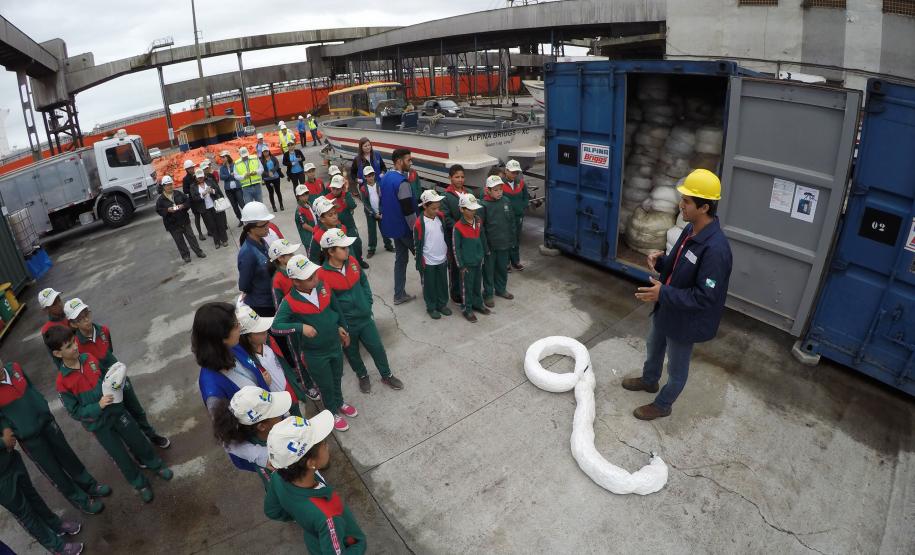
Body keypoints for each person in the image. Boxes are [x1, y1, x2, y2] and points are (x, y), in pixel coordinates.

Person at [623, 169, 733, 420]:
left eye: (686, 201)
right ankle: (649, 380)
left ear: (704, 207)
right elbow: (679, 265)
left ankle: (663, 404)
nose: (680, 205)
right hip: (667, 306)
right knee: (653, 345)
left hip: (686, 320)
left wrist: (663, 292)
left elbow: (705, 297)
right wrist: (661, 263)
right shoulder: (690, 229)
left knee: (676, 369)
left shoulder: (716, 250)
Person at [44, 327, 173, 504]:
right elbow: (74, 412)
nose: (75, 347)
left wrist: (115, 382)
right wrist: (97, 406)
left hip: (117, 411)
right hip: (99, 425)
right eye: (68, 346)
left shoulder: (89, 358)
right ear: (58, 353)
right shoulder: (62, 383)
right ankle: (140, 484)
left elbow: (106, 377)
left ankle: (156, 465)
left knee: (137, 440)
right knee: (120, 456)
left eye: (74, 342)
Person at [0, 360, 110, 515]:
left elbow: (31, 388)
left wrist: (42, 404)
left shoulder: (15, 368)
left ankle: (90, 485)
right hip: (30, 438)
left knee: (68, 456)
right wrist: (11, 430)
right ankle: (82, 500)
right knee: (54, 471)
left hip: (47, 422)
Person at [63, 298, 170, 449]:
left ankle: (151, 434)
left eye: (86, 314)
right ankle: (135, 447)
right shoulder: (76, 346)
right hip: (104, 388)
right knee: (121, 418)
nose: (86, 320)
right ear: (73, 324)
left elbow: (109, 351)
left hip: (120, 377)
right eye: (80, 319)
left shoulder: (103, 331)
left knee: (136, 409)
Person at [272, 255, 356, 432]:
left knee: (337, 377)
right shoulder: (289, 302)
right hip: (315, 354)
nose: (315, 279)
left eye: (315, 274)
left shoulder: (323, 286)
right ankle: (331, 412)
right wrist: (300, 327)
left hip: (334, 345)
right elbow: (276, 327)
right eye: (309, 278)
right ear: (296, 282)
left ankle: (339, 402)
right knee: (325, 385)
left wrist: (342, 328)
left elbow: (336, 310)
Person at [264, 413, 366, 554]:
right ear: (311, 463)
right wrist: (359, 546)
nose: (327, 446)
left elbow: (272, 511)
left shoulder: (276, 477)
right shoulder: (327, 516)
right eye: (324, 444)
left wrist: (302, 516)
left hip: (315, 541)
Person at [318, 229, 404, 394]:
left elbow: (363, 281)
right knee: (352, 353)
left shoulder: (352, 261)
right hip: (347, 325)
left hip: (365, 318)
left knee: (377, 348)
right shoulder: (322, 275)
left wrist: (368, 301)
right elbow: (326, 305)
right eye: (343, 248)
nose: (347, 250)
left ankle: (386, 374)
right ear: (330, 251)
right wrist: (338, 325)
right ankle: (362, 375)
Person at [0, 444, 85, 555]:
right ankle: (57, 547)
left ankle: (55, 524)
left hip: (10, 457)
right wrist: (3, 442)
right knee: (25, 513)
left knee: (32, 496)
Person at [194, 302, 271, 419]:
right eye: (235, 325)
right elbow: (227, 428)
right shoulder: (213, 391)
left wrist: (261, 382)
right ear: (220, 336)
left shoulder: (234, 347)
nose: (240, 327)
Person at [269, 239, 322, 403]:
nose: (293, 255)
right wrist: (295, 325)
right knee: (299, 357)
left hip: (309, 318)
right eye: (289, 254)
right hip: (294, 327)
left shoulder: (298, 271)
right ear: (280, 259)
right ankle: (308, 386)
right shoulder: (278, 280)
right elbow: (279, 309)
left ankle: (318, 378)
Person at [212, 386, 289, 487]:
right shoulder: (271, 460)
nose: (282, 413)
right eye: (276, 412)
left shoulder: (246, 433)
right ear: (262, 427)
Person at [235, 304, 306, 411]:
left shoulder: (269, 341)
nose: (266, 333)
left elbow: (283, 365)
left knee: (297, 413)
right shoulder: (243, 359)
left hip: (287, 389)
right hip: (272, 403)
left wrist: (293, 387)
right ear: (247, 337)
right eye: (260, 332)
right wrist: (261, 383)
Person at [379, 148, 418, 305]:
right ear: (399, 161)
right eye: (408, 160)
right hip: (406, 229)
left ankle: (399, 294)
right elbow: (408, 210)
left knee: (400, 260)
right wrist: (417, 230)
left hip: (394, 228)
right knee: (423, 258)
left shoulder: (385, 177)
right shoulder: (402, 182)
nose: (411, 163)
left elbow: (383, 201)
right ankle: (432, 293)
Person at [413, 190, 452, 320]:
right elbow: (417, 244)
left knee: (442, 283)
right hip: (428, 260)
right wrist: (419, 261)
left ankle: (442, 304)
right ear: (425, 206)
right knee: (429, 285)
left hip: (442, 257)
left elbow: (444, 235)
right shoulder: (420, 223)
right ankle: (431, 307)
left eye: (438, 207)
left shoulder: (440, 217)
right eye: (433, 208)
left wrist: (447, 252)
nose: (437, 211)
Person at [453, 194, 490, 323]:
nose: (473, 212)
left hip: (478, 260)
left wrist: (486, 251)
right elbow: (456, 248)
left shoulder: (478, 220)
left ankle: (478, 303)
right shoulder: (458, 227)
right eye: (470, 209)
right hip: (467, 264)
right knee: (467, 288)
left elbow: (482, 236)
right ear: (462, 209)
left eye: (475, 209)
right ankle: (467, 309)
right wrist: (461, 265)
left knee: (476, 284)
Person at [480, 175, 515, 308]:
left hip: (504, 243)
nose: (499, 192)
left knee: (502, 268)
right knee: (488, 270)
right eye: (495, 190)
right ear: (488, 190)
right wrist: (485, 246)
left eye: (500, 189)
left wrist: (512, 239)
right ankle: (488, 294)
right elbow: (481, 229)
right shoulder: (483, 205)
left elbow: (511, 221)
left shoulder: (506, 201)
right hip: (490, 246)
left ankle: (501, 289)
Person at [238, 202, 277, 317]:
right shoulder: (247, 253)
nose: (267, 227)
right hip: (262, 305)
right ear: (250, 228)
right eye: (263, 225)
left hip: (272, 298)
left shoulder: (262, 241)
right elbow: (244, 285)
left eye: (268, 223)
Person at [156, 175, 206, 264]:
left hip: (184, 220)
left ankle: (199, 252)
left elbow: (188, 202)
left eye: (170, 184)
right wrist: (167, 210)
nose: (169, 186)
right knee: (179, 241)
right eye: (167, 185)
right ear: (163, 186)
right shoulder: (161, 199)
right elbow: (159, 210)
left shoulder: (178, 193)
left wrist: (183, 206)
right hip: (172, 224)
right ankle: (186, 256)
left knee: (191, 237)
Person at [325, 175, 367, 269]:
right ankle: (350, 266)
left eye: (337, 188)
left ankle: (359, 261)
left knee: (357, 243)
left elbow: (353, 206)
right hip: (337, 229)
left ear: (342, 187)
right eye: (333, 188)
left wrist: (346, 192)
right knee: (344, 248)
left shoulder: (346, 195)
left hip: (350, 225)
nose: (335, 191)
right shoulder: (327, 198)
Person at [442, 165, 468, 303]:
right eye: (457, 177)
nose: (460, 179)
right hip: (454, 237)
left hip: (468, 237)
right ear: (450, 178)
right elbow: (446, 218)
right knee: (455, 265)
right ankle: (455, 292)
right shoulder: (446, 197)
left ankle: (466, 288)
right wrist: (460, 229)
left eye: (462, 177)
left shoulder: (468, 193)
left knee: (466, 262)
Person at [307, 197, 359, 266]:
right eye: (330, 215)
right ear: (322, 219)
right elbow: (314, 259)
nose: (335, 217)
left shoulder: (342, 228)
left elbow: (349, 248)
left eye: (335, 213)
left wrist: (353, 262)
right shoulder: (318, 236)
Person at [190, 168, 230, 249]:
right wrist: (202, 194)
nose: (200, 179)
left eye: (201, 177)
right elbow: (194, 198)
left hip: (215, 206)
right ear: (196, 177)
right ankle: (216, 242)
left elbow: (218, 190)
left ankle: (224, 240)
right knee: (212, 226)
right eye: (199, 177)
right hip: (205, 209)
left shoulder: (210, 181)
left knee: (220, 224)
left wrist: (212, 191)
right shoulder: (193, 186)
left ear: (204, 176)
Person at [358, 166, 393, 258]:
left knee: (385, 229)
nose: (370, 177)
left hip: (381, 212)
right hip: (370, 214)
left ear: (374, 175)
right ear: (365, 177)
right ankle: (371, 249)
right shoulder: (363, 188)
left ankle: (388, 245)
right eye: (368, 176)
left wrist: (381, 212)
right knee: (372, 231)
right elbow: (365, 203)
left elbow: (383, 199)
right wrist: (373, 213)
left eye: (372, 175)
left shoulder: (380, 185)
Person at [501, 159, 529, 271]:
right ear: (506, 171)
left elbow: (526, 197)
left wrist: (522, 207)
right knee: (506, 239)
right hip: (505, 218)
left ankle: (515, 261)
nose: (514, 174)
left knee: (516, 239)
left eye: (516, 172)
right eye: (512, 172)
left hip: (518, 217)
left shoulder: (521, 183)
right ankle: (506, 262)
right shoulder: (500, 184)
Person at [181, 159, 207, 242]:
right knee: (197, 217)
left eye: (192, 167)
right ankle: (200, 233)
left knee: (205, 215)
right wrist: (193, 189)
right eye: (190, 168)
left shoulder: (197, 174)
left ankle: (209, 230)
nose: (192, 169)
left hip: (201, 198)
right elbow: (185, 190)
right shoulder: (185, 179)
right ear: (187, 169)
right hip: (193, 201)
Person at [220, 150, 245, 224]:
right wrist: (230, 175)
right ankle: (240, 219)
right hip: (228, 190)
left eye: (224, 157)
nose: (222, 159)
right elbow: (222, 177)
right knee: (234, 206)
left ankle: (247, 217)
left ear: (228, 157)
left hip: (237, 188)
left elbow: (237, 174)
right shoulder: (222, 168)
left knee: (241, 203)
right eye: (222, 157)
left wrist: (230, 176)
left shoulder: (234, 165)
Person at [260, 148, 285, 212]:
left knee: (278, 191)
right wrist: (268, 174)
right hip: (267, 179)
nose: (265, 153)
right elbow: (261, 170)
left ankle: (281, 205)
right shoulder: (261, 160)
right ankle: (274, 206)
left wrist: (272, 171)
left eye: (266, 151)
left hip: (276, 177)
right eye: (264, 152)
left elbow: (277, 165)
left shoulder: (273, 158)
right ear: (262, 153)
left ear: (269, 151)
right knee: (271, 193)